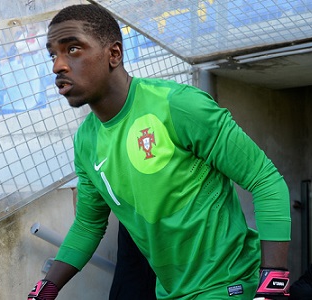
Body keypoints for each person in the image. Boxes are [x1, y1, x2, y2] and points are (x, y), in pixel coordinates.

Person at [27, 4, 291, 300]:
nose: (57, 66)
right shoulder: (86, 142)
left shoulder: (178, 105)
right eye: (53, 54)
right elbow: (88, 226)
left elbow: (265, 180)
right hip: (169, 292)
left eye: (72, 49)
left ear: (113, 54)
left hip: (226, 285)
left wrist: (274, 283)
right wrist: (44, 290)